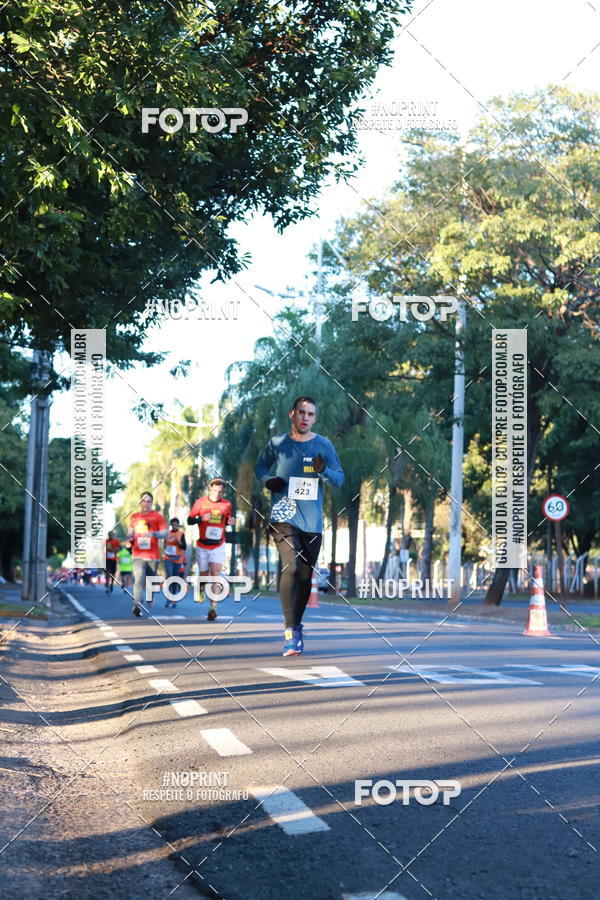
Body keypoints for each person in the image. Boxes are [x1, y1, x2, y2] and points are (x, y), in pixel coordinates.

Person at [255, 396, 343, 656]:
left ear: (315, 418)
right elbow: (260, 467)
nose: (306, 418)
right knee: (291, 565)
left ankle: (297, 625)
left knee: (305, 575)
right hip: (284, 516)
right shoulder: (278, 444)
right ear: (292, 414)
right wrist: (268, 480)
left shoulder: (323, 444)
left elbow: (339, 479)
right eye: (302, 413)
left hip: (312, 521)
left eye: (311, 414)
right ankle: (289, 631)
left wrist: (323, 470)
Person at [187, 478, 235, 621]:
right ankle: (201, 590)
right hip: (202, 545)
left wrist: (230, 522)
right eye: (215, 491)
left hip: (218, 544)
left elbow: (226, 520)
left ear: (223, 492)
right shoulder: (200, 503)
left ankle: (213, 607)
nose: (217, 494)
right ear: (210, 489)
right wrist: (201, 519)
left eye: (220, 491)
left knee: (215, 574)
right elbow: (189, 521)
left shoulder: (227, 504)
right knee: (204, 575)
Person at [128, 491, 168, 616]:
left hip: (153, 555)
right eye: (144, 501)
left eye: (149, 501)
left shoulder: (157, 516)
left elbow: (165, 533)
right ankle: (137, 604)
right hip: (138, 554)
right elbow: (130, 533)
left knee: (151, 580)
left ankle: (151, 596)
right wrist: (129, 539)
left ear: (152, 503)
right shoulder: (134, 517)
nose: (146, 503)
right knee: (139, 579)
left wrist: (153, 534)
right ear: (140, 502)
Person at [163, 518, 187, 608]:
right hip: (168, 558)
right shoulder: (167, 534)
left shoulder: (181, 534)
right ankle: (168, 599)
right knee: (169, 577)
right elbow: (164, 545)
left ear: (178, 525)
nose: (174, 526)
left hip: (177, 559)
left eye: (176, 524)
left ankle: (173, 599)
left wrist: (178, 541)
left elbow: (184, 547)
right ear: (171, 525)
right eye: (173, 524)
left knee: (175, 579)